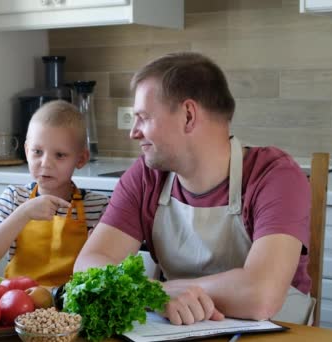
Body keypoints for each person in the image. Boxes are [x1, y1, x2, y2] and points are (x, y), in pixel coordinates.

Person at [74, 52, 314, 325]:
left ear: (188, 115)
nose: (134, 132)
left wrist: (159, 291)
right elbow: (88, 266)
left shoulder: (275, 176)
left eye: (143, 117)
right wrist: (153, 293)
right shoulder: (146, 176)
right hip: (181, 330)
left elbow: (261, 295)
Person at [0, 100, 109, 287]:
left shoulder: (98, 206)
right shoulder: (14, 197)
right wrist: (24, 213)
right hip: (19, 305)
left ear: (81, 159)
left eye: (60, 155)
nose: (45, 163)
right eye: (37, 152)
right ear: (26, 151)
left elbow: (107, 269)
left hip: (69, 310)